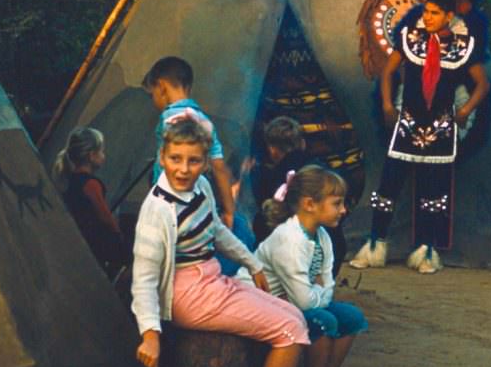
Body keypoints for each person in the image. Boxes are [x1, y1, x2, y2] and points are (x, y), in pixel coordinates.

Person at [131, 115, 313, 367]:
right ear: (162, 157)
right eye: (175, 159)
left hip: (212, 277)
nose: (184, 169)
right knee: (291, 330)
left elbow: (214, 230)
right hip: (188, 293)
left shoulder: (199, 189)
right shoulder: (157, 210)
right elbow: (144, 279)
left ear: (203, 161)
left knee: (292, 313)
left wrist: (253, 263)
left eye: (194, 160)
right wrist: (150, 334)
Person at [350, 0, 490, 274]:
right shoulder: (410, 38)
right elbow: (389, 72)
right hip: (408, 122)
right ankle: (374, 245)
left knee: (433, 191)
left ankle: (426, 251)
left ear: (449, 16)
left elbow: (483, 85)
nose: (427, 17)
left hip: (440, 128)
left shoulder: (463, 46)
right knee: (389, 185)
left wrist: (464, 111)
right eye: (426, 12)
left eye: (435, 13)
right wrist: (388, 105)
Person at [255, 165, 366, 367]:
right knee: (322, 320)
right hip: (264, 304)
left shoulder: (322, 236)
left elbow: (327, 283)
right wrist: (317, 288)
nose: (343, 210)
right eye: (337, 203)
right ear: (309, 204)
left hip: (290, 301)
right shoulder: (289, 240)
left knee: (350, 317)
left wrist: (318, 288)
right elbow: (306, 299)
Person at [144, 56, 243, 273]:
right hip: (197, 203)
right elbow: (219, 168)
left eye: (152, 94)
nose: (154, 100)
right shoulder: (204, 120)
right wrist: (228, 210)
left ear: (161, 87)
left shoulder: (170, 118)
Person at [251, 117, 348, 276]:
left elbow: (264, 221)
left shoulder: (275, 176)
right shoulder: (323, 171)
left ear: (272, 149)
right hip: (332, 248)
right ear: (302, 143)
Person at [53, 126, 128, 283]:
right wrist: (119, 235)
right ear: (91, 155)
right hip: (96, 244)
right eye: (101, 151)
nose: (103, 155)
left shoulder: (70, 181)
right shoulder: (91, 184)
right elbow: (104, 216)